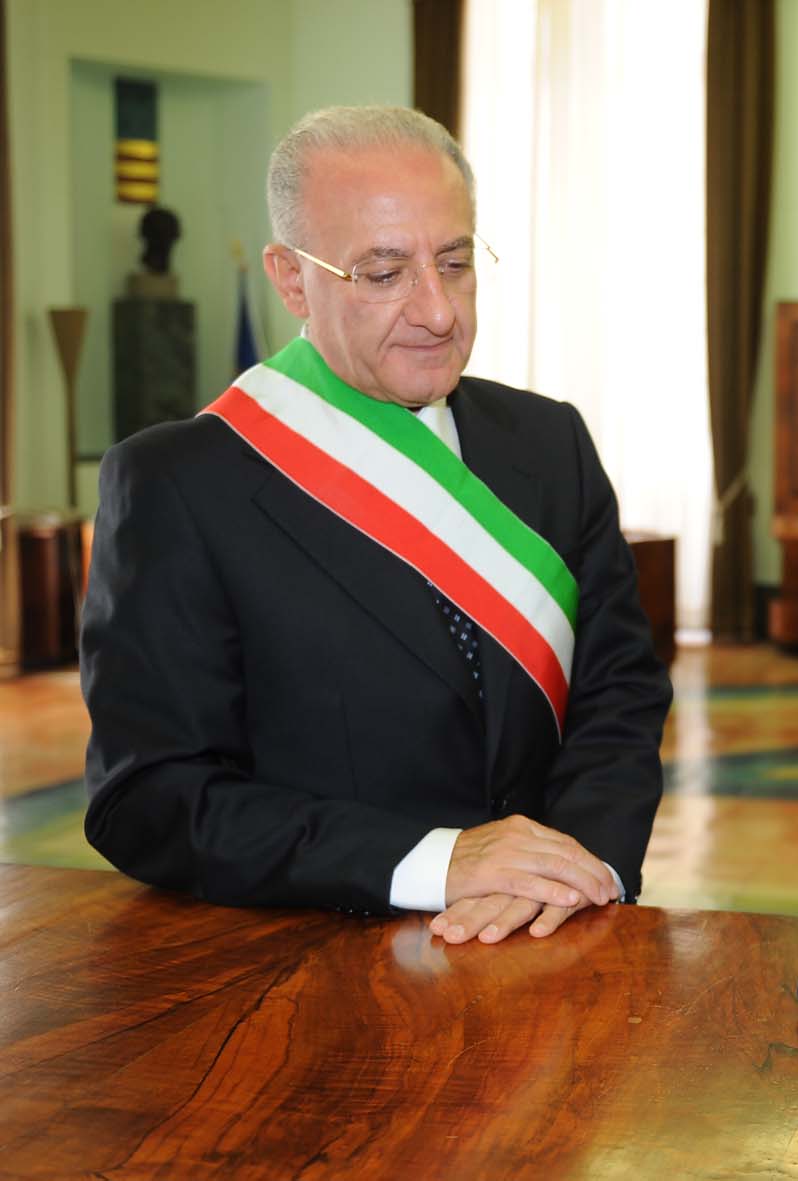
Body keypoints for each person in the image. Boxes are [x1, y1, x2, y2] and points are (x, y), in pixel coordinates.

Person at [82, 106, 671, 946]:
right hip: (314, 971)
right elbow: (150, 797)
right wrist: (438, 861)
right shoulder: (179, 483)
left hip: (557, 948)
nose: (437, 309)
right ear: (291, 280)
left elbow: (620, 694)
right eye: (384, 272)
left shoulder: (550, 443)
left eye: (456, 261)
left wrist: (577, 866)